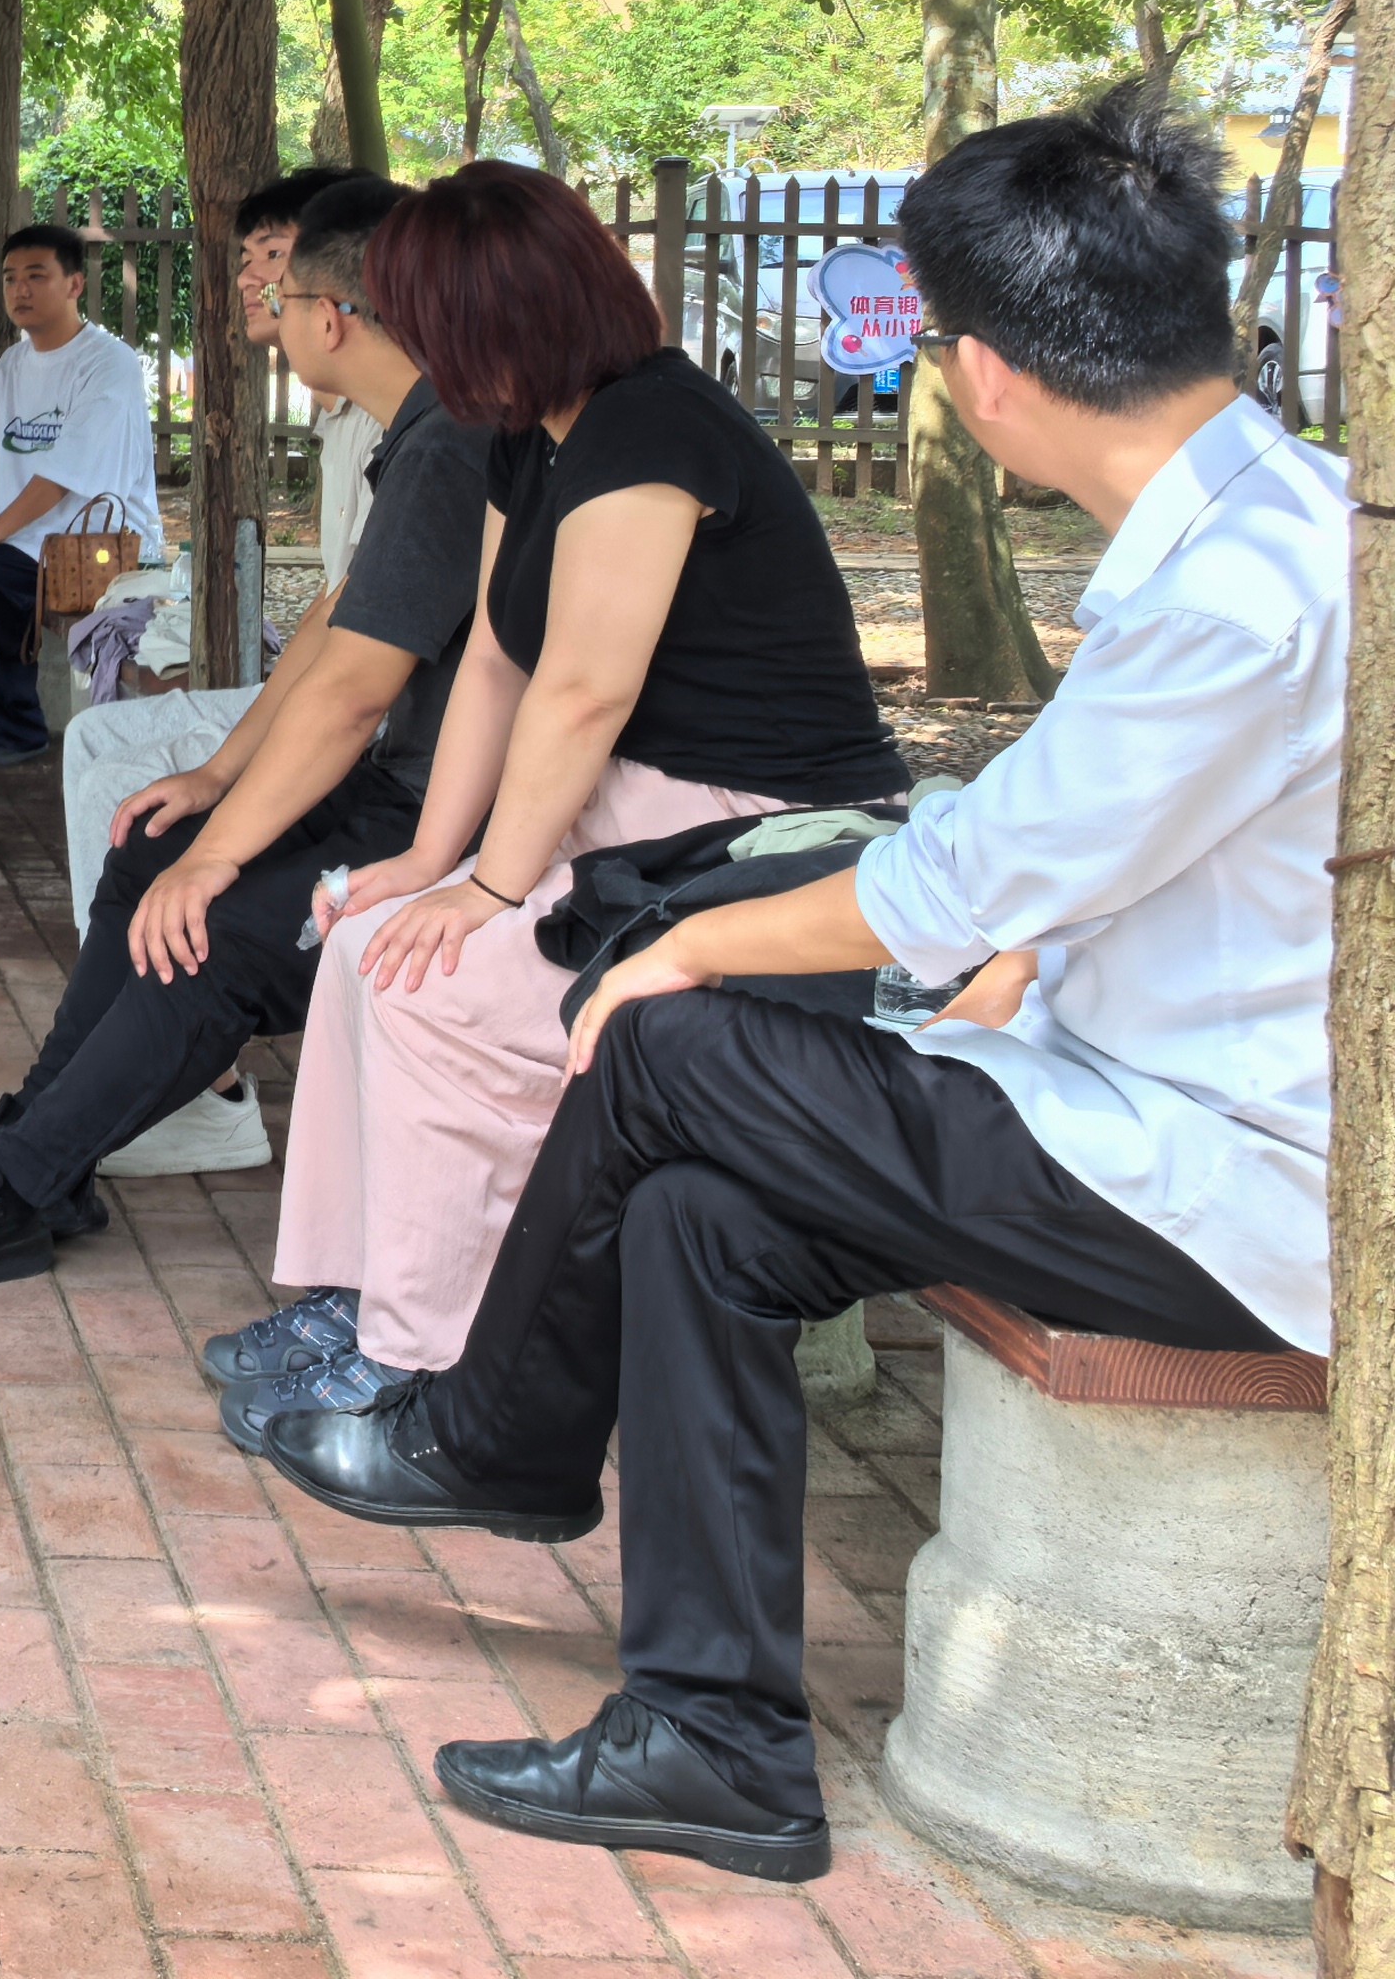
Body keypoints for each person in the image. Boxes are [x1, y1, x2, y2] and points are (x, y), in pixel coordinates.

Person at [256, 91, 1339, 1887]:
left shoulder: (1235, 594)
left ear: (981, 372)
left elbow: (950, 884)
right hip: (1108, 1101)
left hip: (1216, 1196)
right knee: (702, 1217)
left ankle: (495, 1434)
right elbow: (1071, 851)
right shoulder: (1271, 527)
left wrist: (685, 943)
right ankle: (714, 1740)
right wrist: (1012, 954)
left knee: (665, 1036)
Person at [224, 162, 910, 1447]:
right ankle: (355, 1296)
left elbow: (584, 689)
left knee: (443, 990)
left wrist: (488, 892)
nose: (403, 340)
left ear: (496, 311)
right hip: (632, 810)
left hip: (749, 828)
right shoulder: (522, 429)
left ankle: (430, 1364)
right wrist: (433, 861)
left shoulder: (651, 430)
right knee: (367, 939)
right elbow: (496, 655)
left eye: (420, 314)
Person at [0, 177, 489, 1298]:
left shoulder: (449, 446)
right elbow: (336, 624)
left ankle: (19, 1183)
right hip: (407, 782)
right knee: (147, 845)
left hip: (452, 814)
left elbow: (351, 694)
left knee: (206, 927)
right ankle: (39, 1141)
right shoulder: (416, 435)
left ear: (332, 314)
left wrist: (219, 853)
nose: (259, 294)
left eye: (279, 278)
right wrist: (216, 780)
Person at [51, 165, 351, 1175]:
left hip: (377, 732)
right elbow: (338, 609)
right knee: (100, 741)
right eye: (249, 259)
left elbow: (359, 647)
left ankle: (190, 1088)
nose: (256, 281)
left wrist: (229, 775)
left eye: (277, 257)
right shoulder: (345, 415)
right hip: (330, 695)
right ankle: (138, 1072)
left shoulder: (403, 421)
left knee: (131, 793)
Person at [0, 223, 161, 769]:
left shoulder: (107, 364)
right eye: (10, 278)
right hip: (23, 539)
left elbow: (63, 475)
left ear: (74, 285)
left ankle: (14, 729)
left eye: (36, 276)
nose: (20, 289)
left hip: (92, 545)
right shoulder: (11, 365)